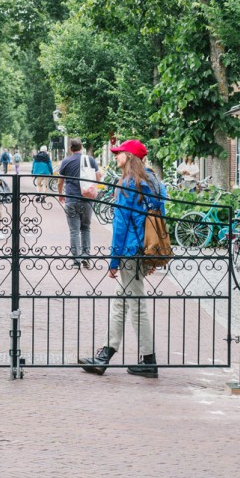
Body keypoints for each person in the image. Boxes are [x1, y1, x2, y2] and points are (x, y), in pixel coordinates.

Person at [79, 139, 165, 378]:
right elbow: (160, 218)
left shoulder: (128, 184)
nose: (116, 157)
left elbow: (120, 225)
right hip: (146, 248)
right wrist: (151, 255)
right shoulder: (155, 182)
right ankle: (105, 354)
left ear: (130, 157)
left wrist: (114, 261)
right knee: (121, 300)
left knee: (137, 305)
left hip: (129, 252)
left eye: (120, 154)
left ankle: (149, 360)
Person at [58, 138, 99, 267]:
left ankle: (76, 260)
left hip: (71, 198)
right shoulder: (90, 160)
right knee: (86, 228)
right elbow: (98, 176)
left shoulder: (66, 161)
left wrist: (60, 194)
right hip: (86, 198)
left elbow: (60, 181)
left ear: (71, 149)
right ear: (81, 147)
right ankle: (86, 256)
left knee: (74, 230)